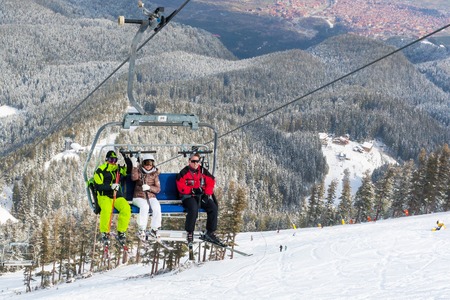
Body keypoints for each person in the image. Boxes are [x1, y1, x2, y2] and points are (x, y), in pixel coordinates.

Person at [176, 153, 219, 244]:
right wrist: (192, 190)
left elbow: (211, 181)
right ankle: (190, 231)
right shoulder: (184, 172)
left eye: (197, 161)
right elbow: (180, 186)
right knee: (193, 208)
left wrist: (207, 193)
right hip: (188, 196)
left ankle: (210, 231)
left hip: (201, 196)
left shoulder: (202, 171)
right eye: (193, 161)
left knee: (213, 207)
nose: (195, 163)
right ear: (189, 161)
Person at [93, 150, 131, 244]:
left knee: (126, 208)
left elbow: (129, 170)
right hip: (104, 196)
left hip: (116, 195)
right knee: (106, 209)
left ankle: (121, 231)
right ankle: (104, 232)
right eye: (111, 160)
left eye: (115, 160)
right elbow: (98, 186)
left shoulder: (118, 169)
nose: (113, 162)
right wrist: (111, 186)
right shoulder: (100, 170)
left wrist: (126, 158)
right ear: (107, 160)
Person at [130, 153, 162, 240]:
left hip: (151, 196)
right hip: (138, 196)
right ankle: (142, 228)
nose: (148, 166)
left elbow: (158, 189)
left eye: (150, 164)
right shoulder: (139, 171)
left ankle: (155, 228)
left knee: (157, 207)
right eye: (146, 163)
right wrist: (134, 166)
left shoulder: (154, 174)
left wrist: (149, 188)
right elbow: (134, 177)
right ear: (142, 164)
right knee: (145, 207)